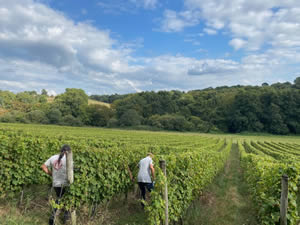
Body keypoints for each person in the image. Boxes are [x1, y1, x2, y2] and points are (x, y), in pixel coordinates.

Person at [41, 144, 71, 225]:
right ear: (69, 152)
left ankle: (62, 217)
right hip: (66, 184)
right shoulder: (69, 159)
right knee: (64, 200)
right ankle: (54, 218)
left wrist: (51, 174)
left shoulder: (53, 157)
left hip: (55, 183)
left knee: (60, 198)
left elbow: (43, 166)